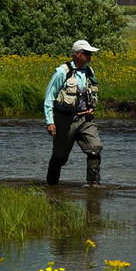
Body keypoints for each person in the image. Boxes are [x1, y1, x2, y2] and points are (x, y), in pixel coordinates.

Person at [44, 39, 103, 186]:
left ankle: (93, 185)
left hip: (86, 119)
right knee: (60, 157)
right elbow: (49, 98)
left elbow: (92, 94)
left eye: (90, 53)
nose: (90, 56)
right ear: (77, 54)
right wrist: (50, 122)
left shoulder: (89, 71)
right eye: (87, 53)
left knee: (95, 148)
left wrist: (91, 108)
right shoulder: (62, 72)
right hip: (65, 120)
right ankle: (51, 186)